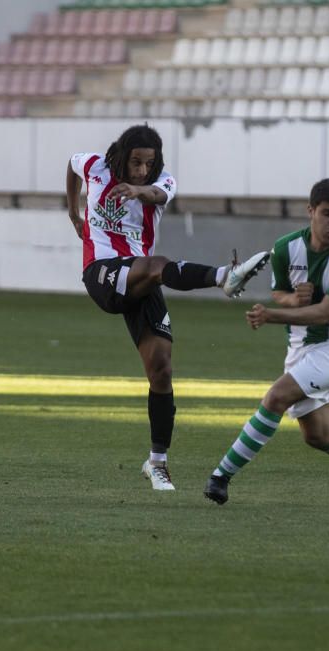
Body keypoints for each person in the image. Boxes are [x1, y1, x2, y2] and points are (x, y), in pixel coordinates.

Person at [67, 124, 270, 492]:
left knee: (161, 369)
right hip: (102, 273)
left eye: (149, 162)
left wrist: (140, 190)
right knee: (156, 264)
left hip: (142, 281)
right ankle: (224, 276)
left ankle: (157, 463)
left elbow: (157, 193)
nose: (143, 169)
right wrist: (73, 213)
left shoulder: (164, 181)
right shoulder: (95, 165)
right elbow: (71, 164)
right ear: (121, 155)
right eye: (136, 162)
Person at [203, 178, 329, 509]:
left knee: (276, 397)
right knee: (318, 435)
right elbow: (280, 291)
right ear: (310, 211)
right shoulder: (286, 247)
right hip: (302, 346)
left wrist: (271, 315)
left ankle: (220, 477)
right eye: (327, 213)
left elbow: (326, 313)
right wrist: (291, 302)